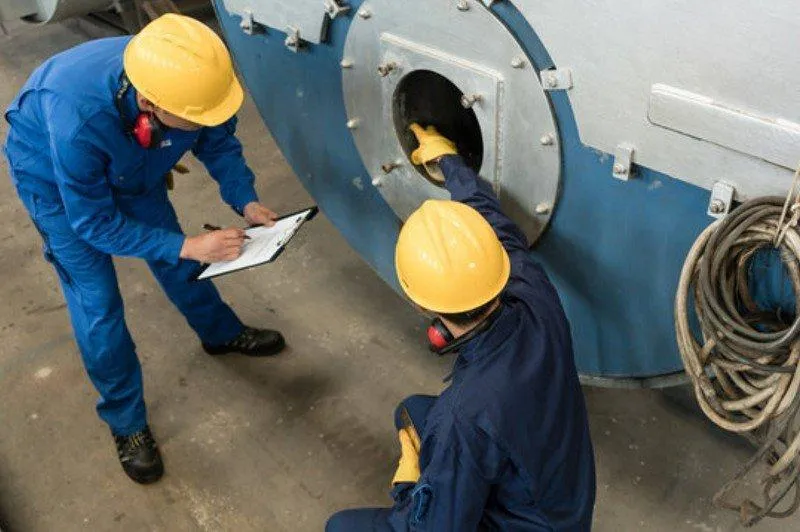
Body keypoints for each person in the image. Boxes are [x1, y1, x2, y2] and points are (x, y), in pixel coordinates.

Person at [3, 14, 286, 484]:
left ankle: (219, 333)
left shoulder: (192, 86)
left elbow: (219, 141)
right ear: (147, 104)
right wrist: (187, 243)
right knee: (98, 303)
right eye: (192, 120)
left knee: (180, 258)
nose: (202, 123)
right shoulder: (77, 118)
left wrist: (245, 198)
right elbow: (92, 222)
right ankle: (126, 422)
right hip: (53, 180)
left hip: (135, 161)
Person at [326, 124, 596, 530]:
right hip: (564, 492)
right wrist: (449, 161)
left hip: (533, 524)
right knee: (412, 411)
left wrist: (408, 488)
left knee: (341, 526)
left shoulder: (464, 415)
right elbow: (491, 221)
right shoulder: (531, 288)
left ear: (420, 304)